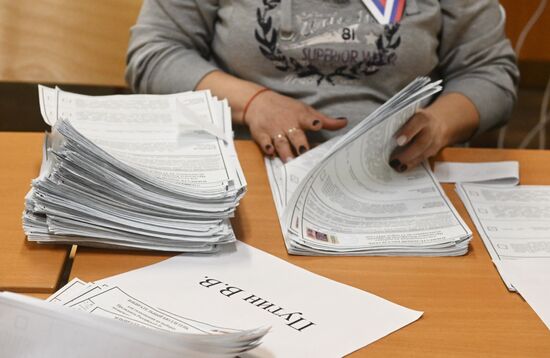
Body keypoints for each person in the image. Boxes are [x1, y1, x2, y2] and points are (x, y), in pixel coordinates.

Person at [126, 0, 519, 172]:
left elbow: (489, 70)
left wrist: (439, 125)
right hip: (241, 167)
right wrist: (254, 103)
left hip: (396, 172)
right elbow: (154, 52)